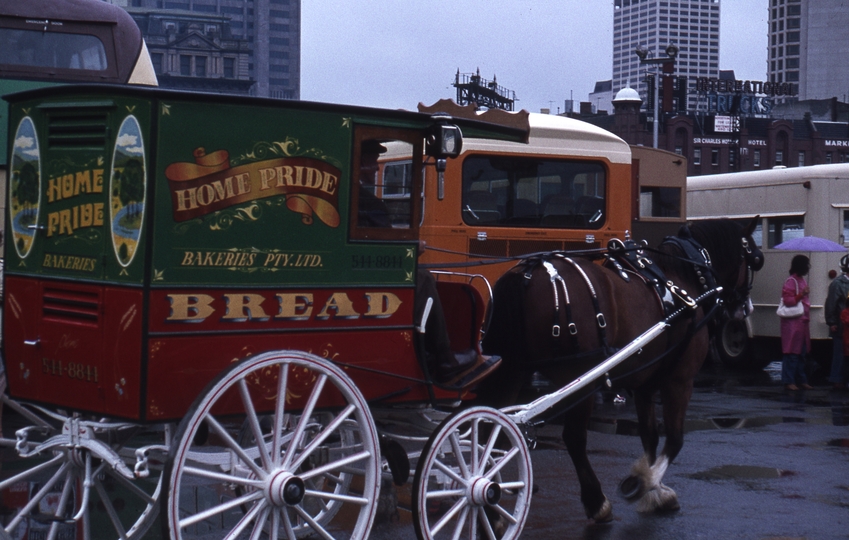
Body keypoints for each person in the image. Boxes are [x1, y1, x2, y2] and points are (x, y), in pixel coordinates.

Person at [780, 254, 813, 391]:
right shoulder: (791, 281)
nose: (808, 268)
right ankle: (789, 381)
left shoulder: (801, 280)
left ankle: (800, 379)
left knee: (801, 353)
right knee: (792, 353)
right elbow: (788, 300)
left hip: (801, 323)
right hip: (793, 324)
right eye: (806, 265)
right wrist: (802, 294)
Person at [824, 255, 849, 390]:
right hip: (841, 325)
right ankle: (837, 379)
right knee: (839, 353)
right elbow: (831, 304)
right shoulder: (838, 283)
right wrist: (832, 322)